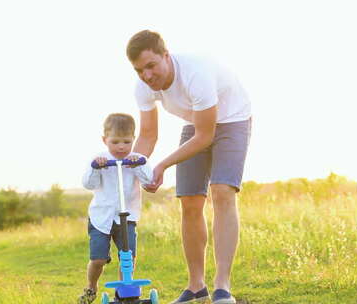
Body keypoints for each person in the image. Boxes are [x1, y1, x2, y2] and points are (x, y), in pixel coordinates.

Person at [126, 30, 252, 304]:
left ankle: (222, 286)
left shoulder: (197, 73)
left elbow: (205, 137)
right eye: (139, 71)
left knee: (221, 191)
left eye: (151, 66)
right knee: (189, 201)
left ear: (166, 56)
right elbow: (148, 135)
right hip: (196, 125)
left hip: (233, 120)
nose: (147, 76)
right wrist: (132, 170)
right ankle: (196, 286)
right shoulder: (144, 88)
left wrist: (160, 166)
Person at [78, 113, 153, 304]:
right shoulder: (99, 159)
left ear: (133, 140)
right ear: (105, 140)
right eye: (115, 142)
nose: (121, 147)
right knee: (98, 260)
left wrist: (139, 164)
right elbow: (88, 184)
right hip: (101, 218)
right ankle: (91, 287)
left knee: (128, 256)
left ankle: (123, 291)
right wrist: (96, 168)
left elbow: (148, 180)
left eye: (127, 142)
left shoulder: (137, 159)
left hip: (127, 217)